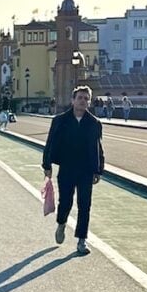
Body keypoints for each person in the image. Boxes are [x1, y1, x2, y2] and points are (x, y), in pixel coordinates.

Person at [42, 85, 105, 257]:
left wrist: (99, 169)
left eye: (86, 98)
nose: (83, 101)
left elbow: (98, 148)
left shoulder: (94, 123)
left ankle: (81, 239)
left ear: (89, 102)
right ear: (73, 100)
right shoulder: (60, 120)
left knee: (85, 205)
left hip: (85, 170)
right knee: (66, 202)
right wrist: (47, 165)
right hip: (67, 168)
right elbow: (50, 144)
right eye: (80, 98)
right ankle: (62, 223)